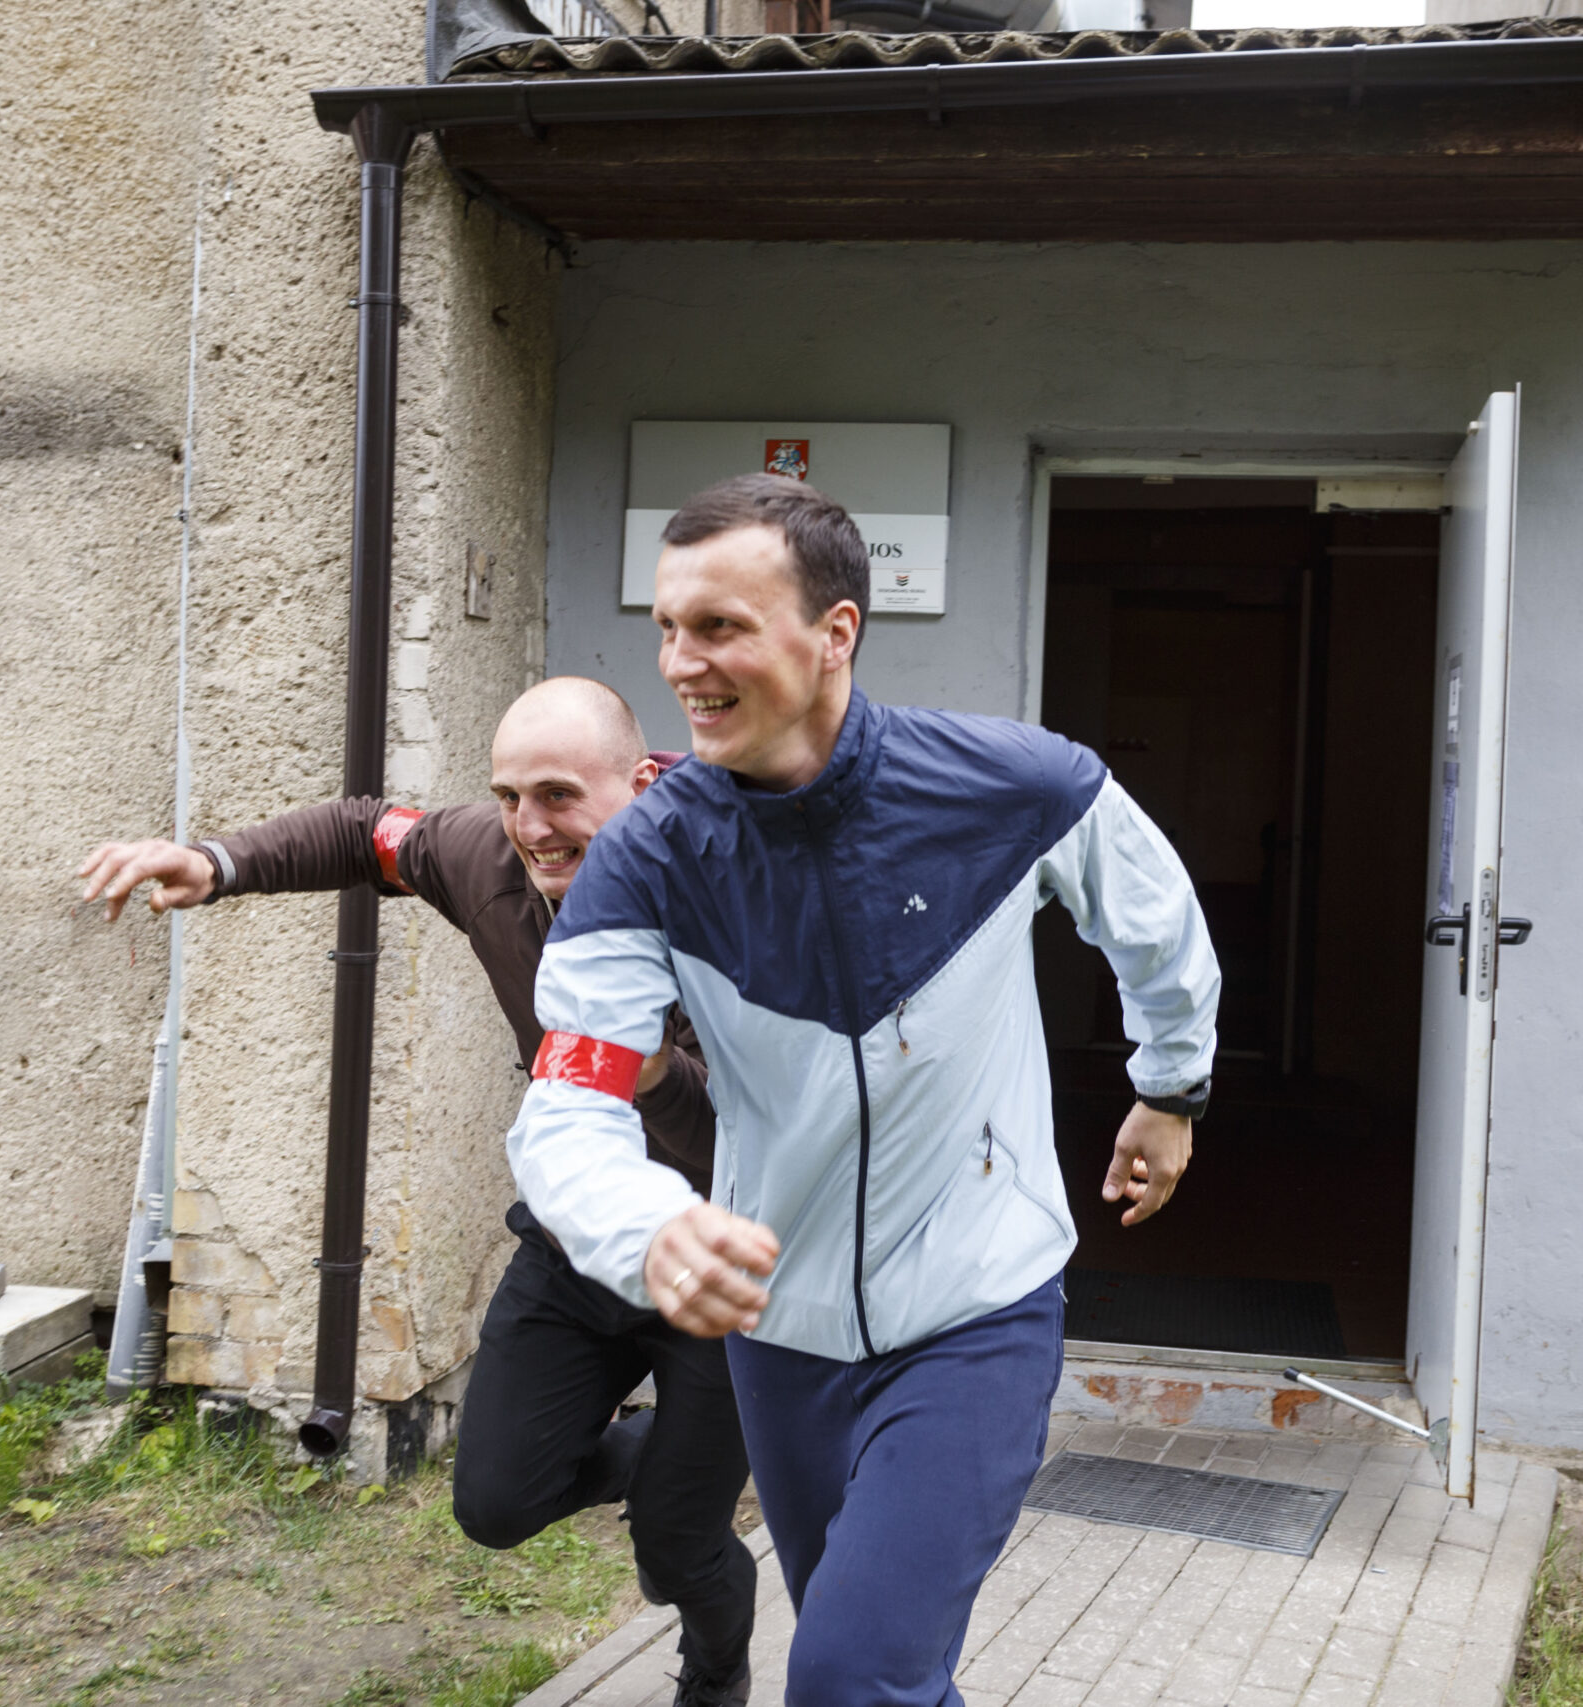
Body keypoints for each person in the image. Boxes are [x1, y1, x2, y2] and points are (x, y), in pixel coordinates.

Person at [506, 476, 1221, 1707]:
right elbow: (569, 1097)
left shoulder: (1015, 784)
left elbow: (1155, 924)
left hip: (975, 1309)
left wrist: (1171, 1086)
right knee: (885, 1674)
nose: (680, 664)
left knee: (845, 1678)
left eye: (719, 627)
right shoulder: (647, 859)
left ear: (834, 631)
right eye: (668, 628)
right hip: (780, 1335)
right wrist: (647, 1225)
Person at [76, 676, 756, 1707]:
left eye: (560, 796)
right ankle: (644, 1458)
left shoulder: (732, 890)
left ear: (641, 782)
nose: (531, 826)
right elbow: (365, 832)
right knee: (494, 1504)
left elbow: (742, 1138)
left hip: (715, 1260)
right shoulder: (487, 856)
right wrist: (215, 863)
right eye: (509, 794)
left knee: (678, 1545)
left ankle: (714, 1674)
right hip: (574, 1250)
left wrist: (651, 1071)